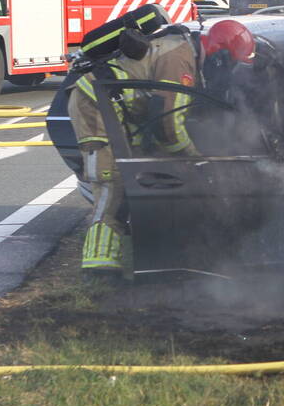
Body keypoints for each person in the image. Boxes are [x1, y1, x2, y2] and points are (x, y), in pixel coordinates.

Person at [68, 19, 201, 276]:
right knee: (111, 186)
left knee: (131, 174)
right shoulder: (179, 59)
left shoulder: (176, 47)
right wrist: (194, 158)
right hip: (94, 104)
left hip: (112, 107)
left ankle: (115, 261)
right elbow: (169, 126)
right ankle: (99, 270)